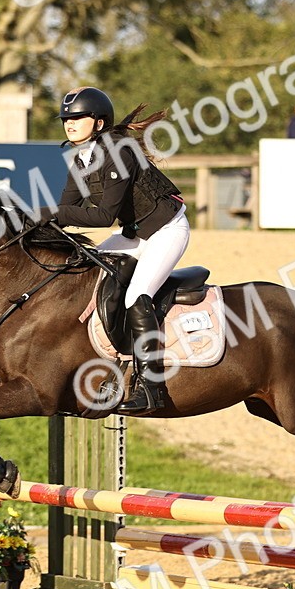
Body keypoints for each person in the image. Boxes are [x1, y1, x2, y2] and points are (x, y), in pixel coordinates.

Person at [42, 86, 189, 415]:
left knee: (137, 294)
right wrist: (31, 225)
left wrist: (51, 213)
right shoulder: (80, 158)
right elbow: (66, 210)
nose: (69, 122)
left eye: (78, 117)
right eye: (66, 118)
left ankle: (151, 386)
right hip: (136, 233)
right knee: (84, 268)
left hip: (166, 230)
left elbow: (103, 216)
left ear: (98, 123)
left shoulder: (119, 150)